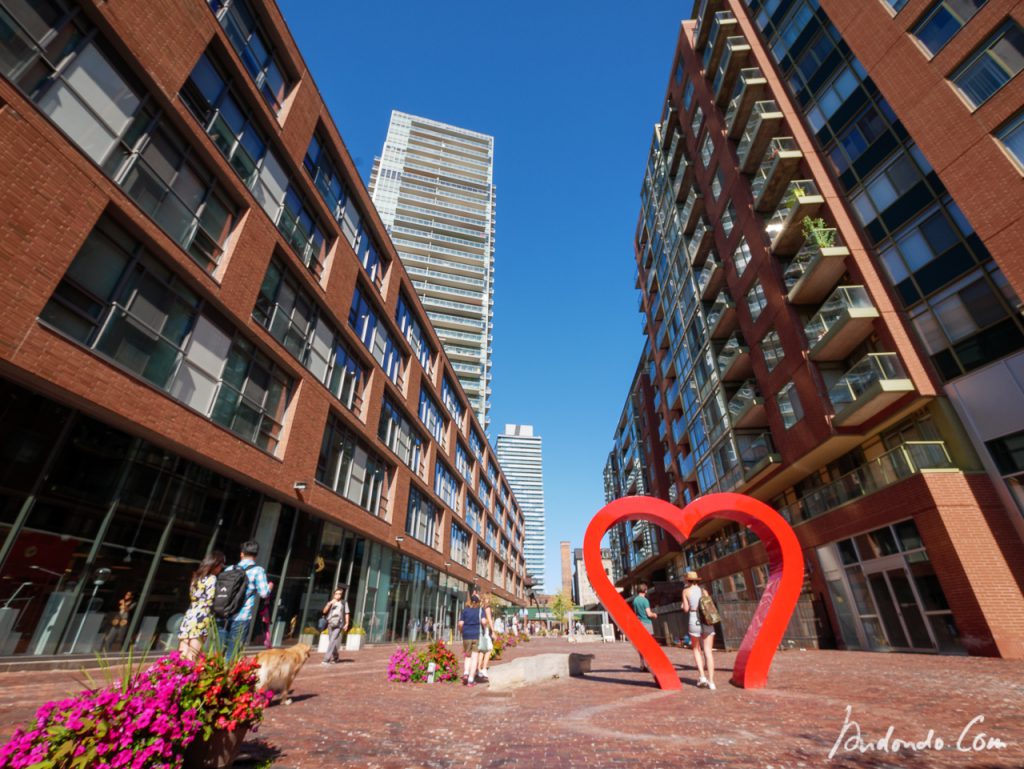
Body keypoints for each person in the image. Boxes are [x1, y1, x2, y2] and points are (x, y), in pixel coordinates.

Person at [219, 541, 271, 657]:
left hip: (223, 615)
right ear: (256, 555)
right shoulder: (258, 570)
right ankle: (229, 673)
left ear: (241, 554)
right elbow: (264, 593)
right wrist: (270, 588)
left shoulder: (229, 569)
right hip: (241, 616)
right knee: (233, 653)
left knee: (218, 652)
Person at [178, 551, 225, 660]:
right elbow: (210, 600)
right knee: (193, 654)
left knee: (182, 653)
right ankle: (189, 675)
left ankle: (177, 674)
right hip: (202, 617)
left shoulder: (196, 577)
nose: (221, 568)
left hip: (190, 614)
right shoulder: (212, 579)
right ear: (215, 564)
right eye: (220, 565)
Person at [682, 571, 716, 690]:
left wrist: (684, 605)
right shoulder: (704, 591)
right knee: (708, 651)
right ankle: (711, 682)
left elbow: (686, 609)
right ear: (697, 580)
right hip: (706, 620)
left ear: (687, 580)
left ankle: (702, 676)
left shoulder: (686, 591)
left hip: (694, 620)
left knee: (696, 649)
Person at [632, 583, 658, 673]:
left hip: (639, 624)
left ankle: (642, 664)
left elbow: (635, 613)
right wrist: (654, 614)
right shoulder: (645, 600)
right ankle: (650, 664)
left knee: (641, 646)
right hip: (646, 624)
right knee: (650, 646)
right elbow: (648, 614)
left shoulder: (635, 600)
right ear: (645, 590)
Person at [458, 594, 483, 686]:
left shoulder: (465, 611)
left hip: (466, 635)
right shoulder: (480, 611)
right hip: (476, 635)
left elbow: (460, 624)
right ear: (478, 602)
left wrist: (461, 631)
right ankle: (471, 680)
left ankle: (465, 673)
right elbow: (484, 621)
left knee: (467, 656)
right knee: (475, 657)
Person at [321, 587, 349, 664]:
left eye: (339, 594)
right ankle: (336, 657)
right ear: (334, 595)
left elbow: (347, 613)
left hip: (339, 624)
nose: (338, 595)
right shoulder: (331, 602)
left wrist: (346, 623)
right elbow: (324, 611)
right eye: (336, 594)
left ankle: (326, 659)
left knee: (332, 640)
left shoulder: (343, 603)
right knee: (331, 641)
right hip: (330, 623)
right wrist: (329, 604)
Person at [476, 594, 494, 683]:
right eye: (488, 599)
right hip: (485, 630)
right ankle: (483, 668)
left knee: (482, 650)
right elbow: (489, 620)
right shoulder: (487, 608)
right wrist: (493, 631)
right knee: (489, 648)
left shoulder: (479, 608)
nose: (488, 601)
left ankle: (479, 668)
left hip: (479, 631)